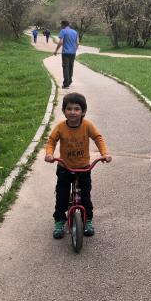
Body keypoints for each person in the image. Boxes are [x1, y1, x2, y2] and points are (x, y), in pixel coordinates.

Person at [45, 92, 112, 239]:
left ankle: (87, 220)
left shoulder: (87, 125)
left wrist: (104, 154)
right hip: (65, 168)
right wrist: (49, 154)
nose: (73, 112)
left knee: (85, 197)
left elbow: (98, 138)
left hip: (83, 168)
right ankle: (59, 220)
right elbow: (51, 140)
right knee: (62, 196)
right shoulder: (61, 127)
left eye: (77, 109)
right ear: (64, 111)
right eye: (69, 109)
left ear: (83, 111)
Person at [54, 20, 79, 89]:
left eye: (61, 25)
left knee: (65, 67)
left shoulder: (63, 31)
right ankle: (70, 80)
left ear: (63, 25)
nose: (61, 26)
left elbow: (61, 42)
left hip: (65, 53)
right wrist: (75, 49)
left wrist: (56, 50)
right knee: (71, 67)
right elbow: (77, 43)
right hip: (73, 53)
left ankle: (66, 84)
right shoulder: (75, 32)